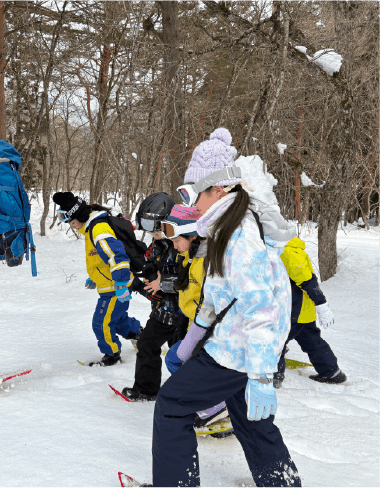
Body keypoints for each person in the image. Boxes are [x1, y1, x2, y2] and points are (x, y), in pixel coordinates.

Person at [151, 128, 302, 488]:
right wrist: (191, 341)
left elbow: (260, 308)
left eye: (193, 192)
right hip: (240, 343)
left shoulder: (239, 236)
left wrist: (262, 376)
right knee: (251, 419)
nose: (190, 204)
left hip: (240, 348)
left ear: (218, 189)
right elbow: (217, 293)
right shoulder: (225, 226)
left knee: (171, 405)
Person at [52, 191, 142, 366]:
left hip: (116, 287)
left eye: (72, 222)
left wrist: (121, 284)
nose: (73, 226)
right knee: (117, 320)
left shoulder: (98, 229)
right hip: (109, 284)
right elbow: (100, 258)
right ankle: (140, 334)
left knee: (101, 323)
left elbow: (117, 256)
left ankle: (111, 356)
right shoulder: (91, 228)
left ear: (79, 216)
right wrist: (95, 277)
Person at [161, 204, 229, 430]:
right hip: (196, 325)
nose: (174, 245)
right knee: (181, 361)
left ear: (193, 235)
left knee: (176, 360)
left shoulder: (207, 261)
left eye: (176, 240)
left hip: (209, 330)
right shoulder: (190, 255)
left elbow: (212, 301)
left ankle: (215, 406)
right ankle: (214, 403)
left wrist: (200, 334)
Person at [119, 193, 188, 401]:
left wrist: (162, 282)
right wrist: (143, 280)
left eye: (156, 229)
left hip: (178, 311)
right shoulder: (157, 244)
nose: (152, 233)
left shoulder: (180, 245)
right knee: (163, 348)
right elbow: (150, 265)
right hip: (162, 309)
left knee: (154, 346)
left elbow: (188, 280)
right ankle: (154, 389)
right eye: (148, 228)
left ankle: (154, 390)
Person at [275, 236, 346, 387]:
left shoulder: (288, 252)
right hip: (302, 311)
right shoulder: (290, 249)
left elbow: (307, 280)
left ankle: (273, 377)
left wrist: (321, 304)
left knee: (275, 341)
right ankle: (331, 372)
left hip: (293, 311)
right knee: (312, 341)